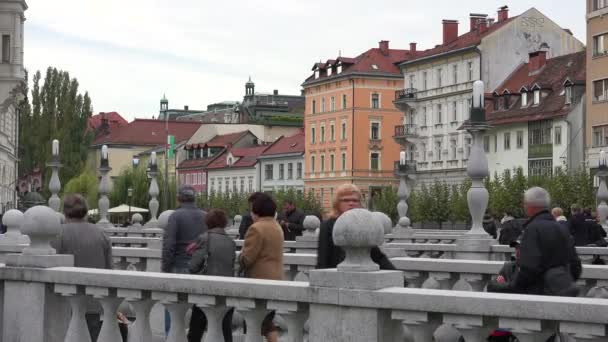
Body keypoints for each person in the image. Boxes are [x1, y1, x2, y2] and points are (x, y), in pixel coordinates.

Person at [52, 194, 118, 342]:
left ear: (65, 212)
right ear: (86, 212)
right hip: (95, 303)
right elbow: (110, 270)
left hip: (65, 303)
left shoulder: (58, 234)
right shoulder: (102, 234)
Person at [507, 187, 581, 296]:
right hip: (563, 292)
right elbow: (576, 266)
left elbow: (528, 269)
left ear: (530, 206)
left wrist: (513, 288)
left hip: (540, 295)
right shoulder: (562, 228)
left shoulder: (532, 229)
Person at [162, 185, 207, 334]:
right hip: (200, 268)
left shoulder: (175, 216)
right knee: (198, 309)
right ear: (195, 198)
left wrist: (165, 268)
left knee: (172, 306)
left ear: (179, 198)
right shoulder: (205, 216)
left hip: (178, 266)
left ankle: (171, 336)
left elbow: (169, 245)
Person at [316, 184, 395, 270]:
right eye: (345, 200)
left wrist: (400, 279)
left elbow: (376, 255)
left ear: (360, 203)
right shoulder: (327, 225)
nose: (351, 203)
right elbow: (323, 258)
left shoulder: (364, 225)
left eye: (355, 200)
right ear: (337, 204)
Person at [239, 192, 283, 342]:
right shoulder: (276, 226)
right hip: (276, 279)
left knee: (254, 322)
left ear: (256, 211)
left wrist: (240, 257)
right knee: (266, 322)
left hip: (259, 280)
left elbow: (247, 258)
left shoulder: (256, 229)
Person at [188, 209, 236, 342]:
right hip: (226, 292)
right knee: (226, 332)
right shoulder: (231, 242)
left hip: (206, 291)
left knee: (195, 333)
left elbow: (193, 267)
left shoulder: (204, 238)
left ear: (208, 222)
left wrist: (192, 254)